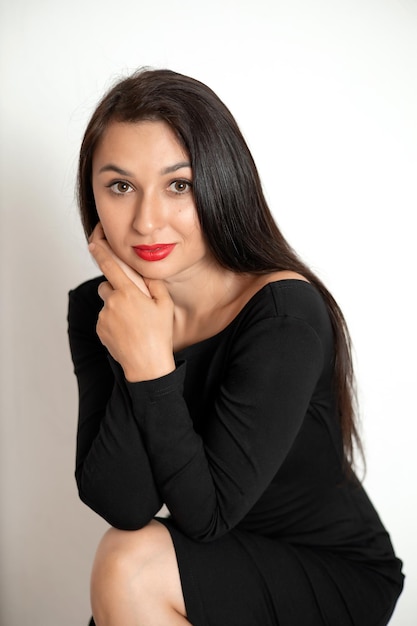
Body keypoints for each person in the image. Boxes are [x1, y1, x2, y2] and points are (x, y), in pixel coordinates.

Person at [68, 68, 404, 626]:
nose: (148, 221)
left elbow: (207, 516)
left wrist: (151, 363)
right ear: (94, 198)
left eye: (179, 185)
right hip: (217, 558)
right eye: (121, 186)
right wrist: (139, 338)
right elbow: (123, 504)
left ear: (223, 183)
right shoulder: (103, 310)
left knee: (127, 568)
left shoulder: (284, 316)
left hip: (329, 572)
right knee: (126, 558)